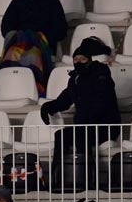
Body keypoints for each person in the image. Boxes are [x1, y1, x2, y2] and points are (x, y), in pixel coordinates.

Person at [39, 37, 122, 185]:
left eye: (82, 59)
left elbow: (102, 101)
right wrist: (48, 107)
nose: (78, 62)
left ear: (89, 60)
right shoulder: (75, 78)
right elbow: (65, 99)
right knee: (61, 135)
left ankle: (89, 179)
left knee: (81, 135)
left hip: (105, 126)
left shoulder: (101, 73)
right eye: (75, 59)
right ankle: (57, 179)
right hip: (84, 127)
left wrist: (85, 122)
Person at [0, 0, 68, 95]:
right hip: (19, 43)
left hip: (42, 43)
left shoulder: (53, 2)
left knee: (33, 55)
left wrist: (39, 36)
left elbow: (60, 30)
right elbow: (6, 27)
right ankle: (7, 91)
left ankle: (34, 91)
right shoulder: (18, 1)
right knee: (11, 55)